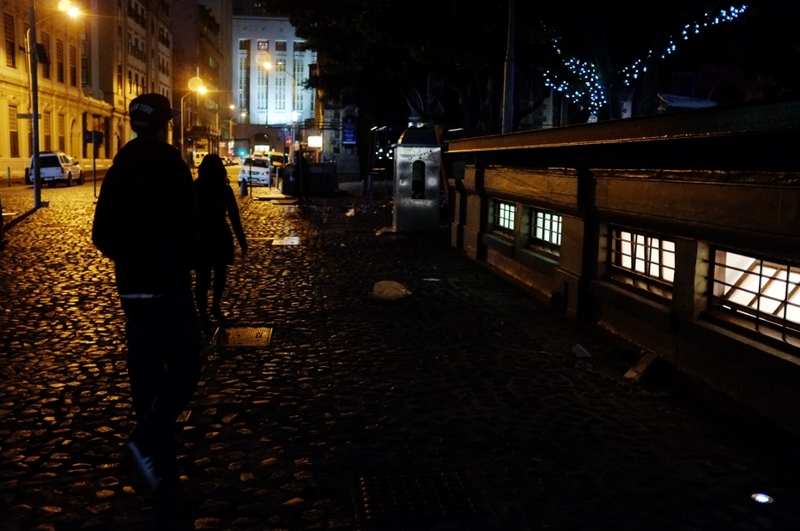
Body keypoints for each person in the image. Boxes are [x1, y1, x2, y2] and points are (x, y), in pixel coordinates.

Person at [92, 93, 201, 496]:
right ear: (163, 125)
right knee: (187, 364)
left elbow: (100, 233)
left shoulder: (120, 165)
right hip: (167, 287)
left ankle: (160, 466)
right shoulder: (171, 163)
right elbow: (189, 227)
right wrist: (176, 262)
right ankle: (145, 440)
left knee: (146, 373)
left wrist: (129, 259)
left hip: (131, 289)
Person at [194, 154, 248, 323]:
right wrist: (242, 241)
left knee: (202, 277)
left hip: (201, 234)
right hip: (219, 233)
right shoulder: (224, 189)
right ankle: (215, 306)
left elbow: (187, 214)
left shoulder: (195, 187)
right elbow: (234, 216)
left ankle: (202, 312)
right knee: (220, 273)